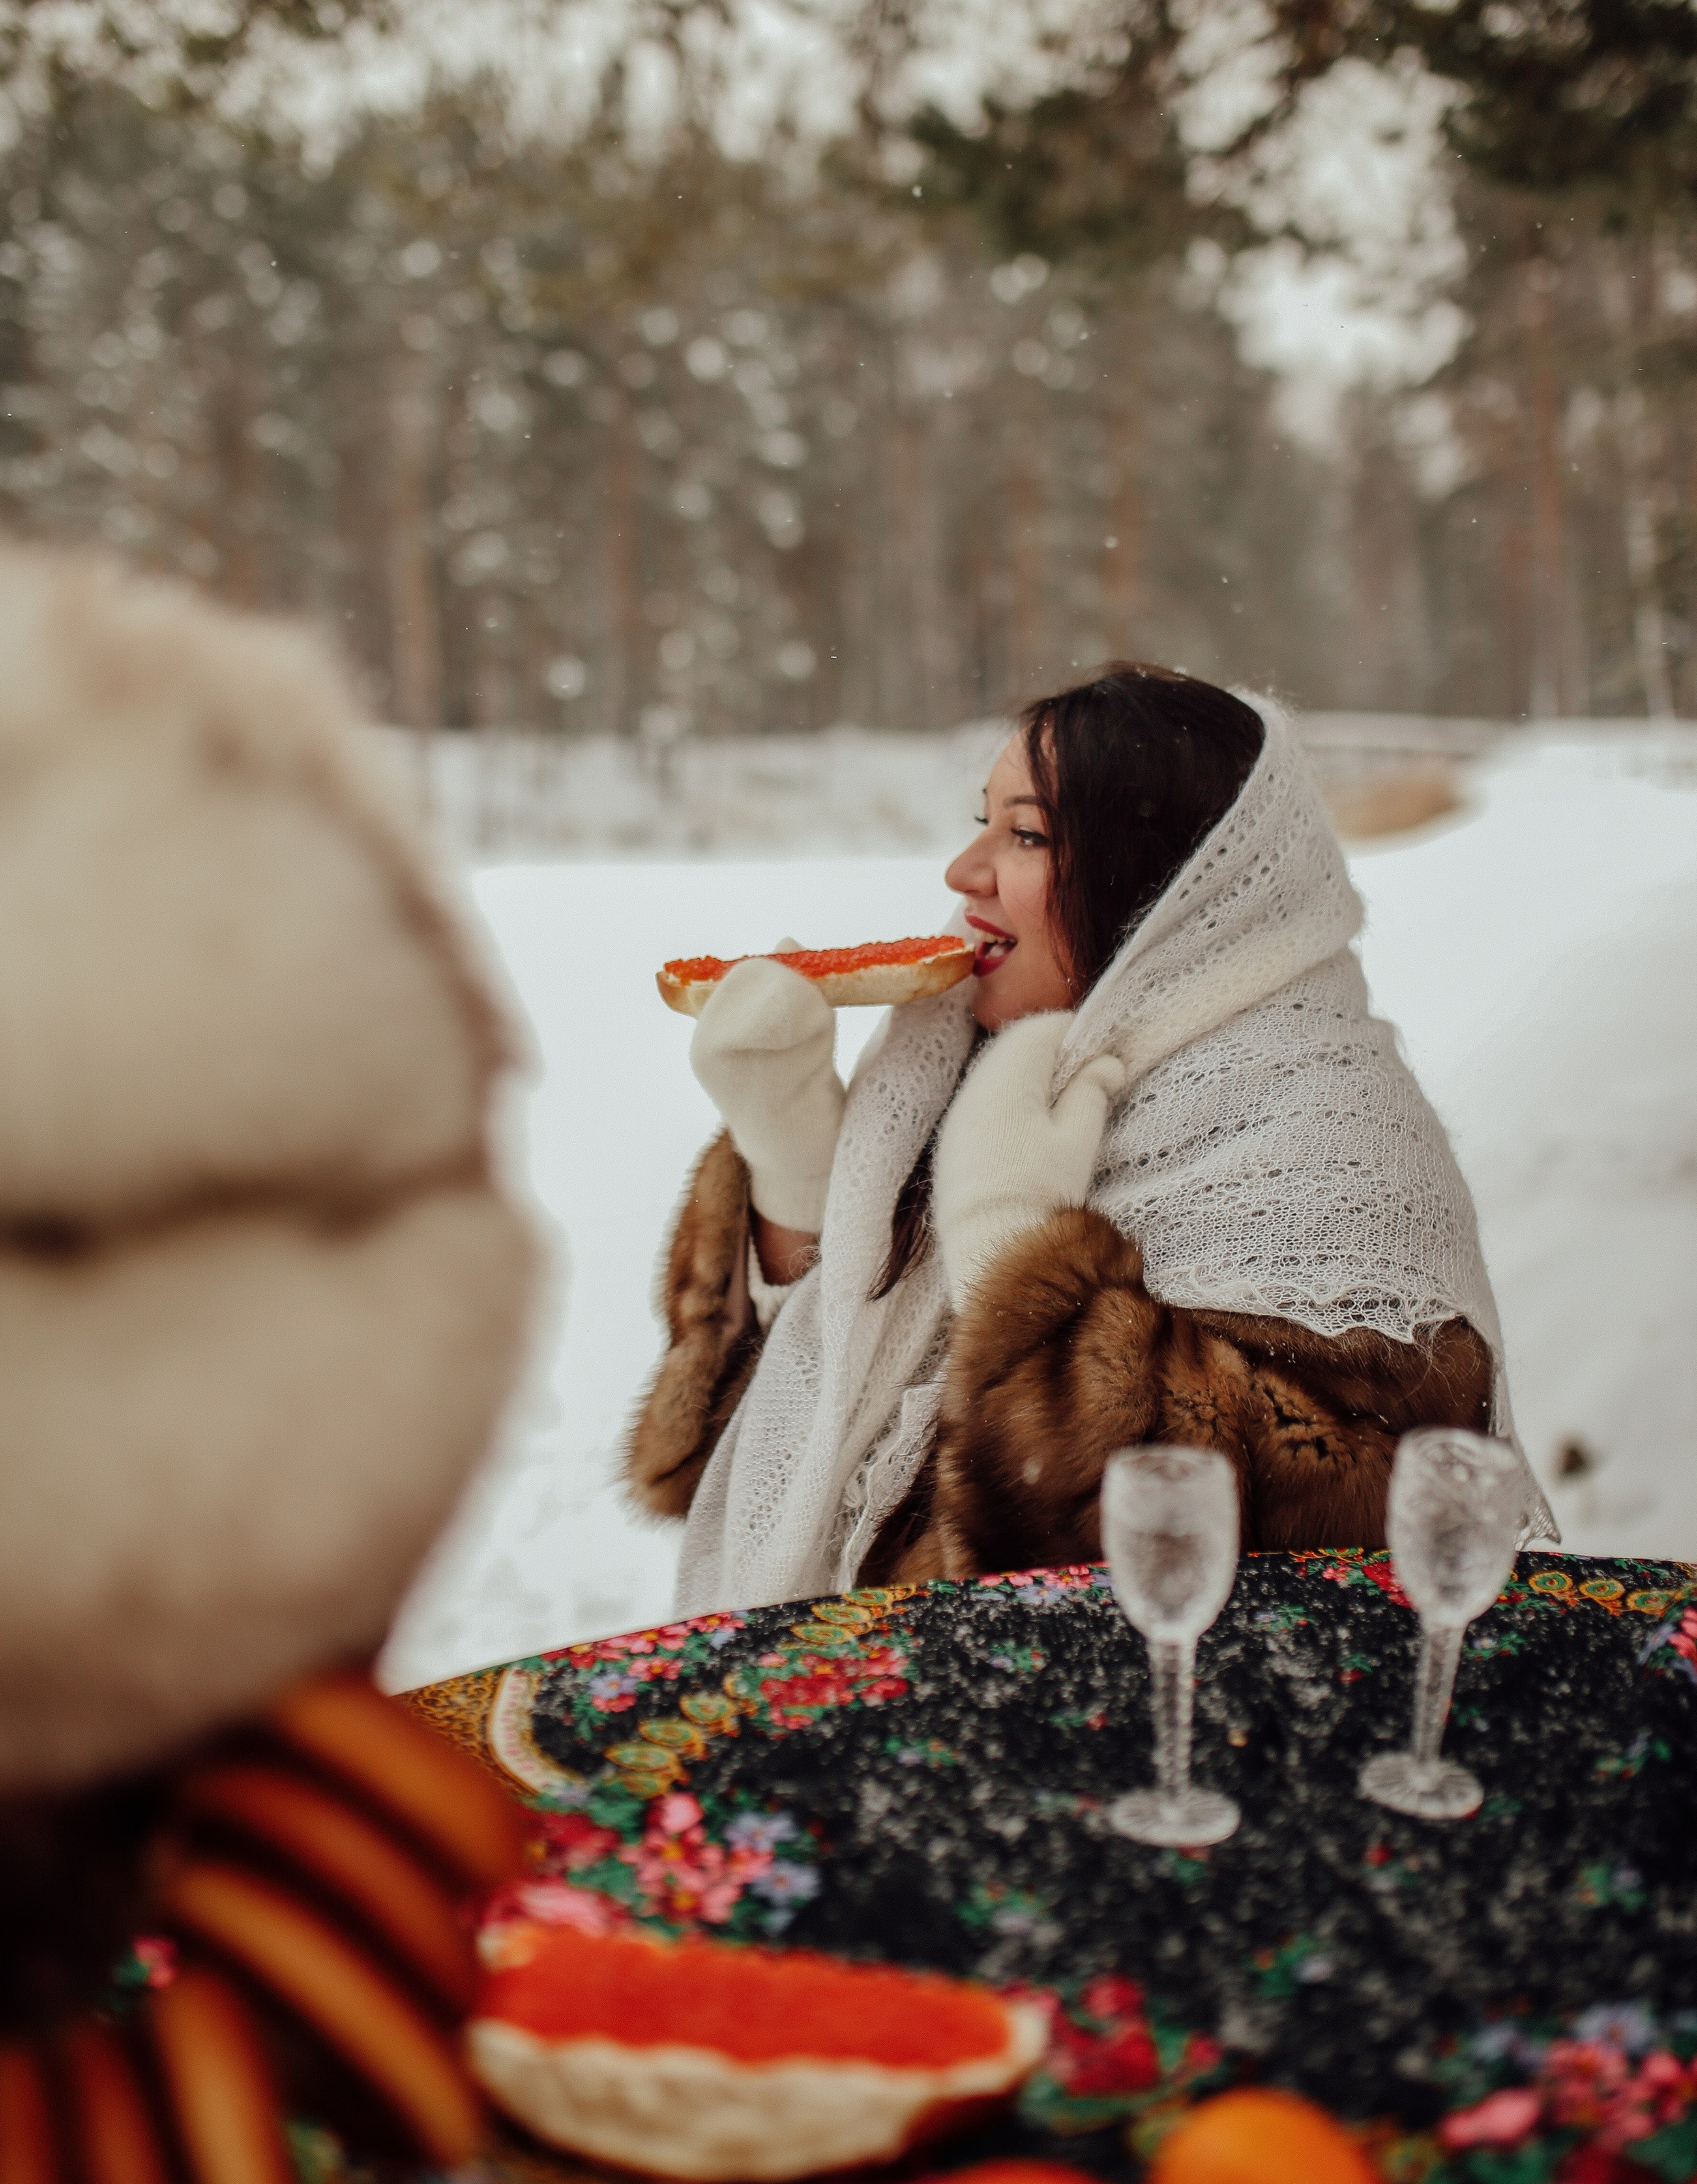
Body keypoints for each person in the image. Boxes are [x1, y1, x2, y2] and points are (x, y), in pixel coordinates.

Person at [626, 663, 1553, 1617]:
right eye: (978, 821)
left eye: (1025, 833)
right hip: (878, 1697)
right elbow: (762, 1462)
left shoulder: (1340, 1161)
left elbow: (1228, 1575)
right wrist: (794, 1178)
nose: (962, 873)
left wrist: (1012, 1242)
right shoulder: (966, 1069)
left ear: (1171, 885)